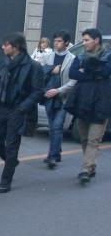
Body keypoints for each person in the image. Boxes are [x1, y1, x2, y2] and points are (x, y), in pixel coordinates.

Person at [0, 32, 43, 193]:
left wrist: (22, 108)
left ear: (16, 47)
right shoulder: (3, 62)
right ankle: (11, 162)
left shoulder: (33, 66)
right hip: (0, 107)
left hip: (17, 110)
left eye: (6, 44)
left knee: (12, 145)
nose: (3, 47)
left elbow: (38, 91)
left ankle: (6, 180)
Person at [66, 28, 111, 183]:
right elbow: (72, 73)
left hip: (101, 101)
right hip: (83, 101)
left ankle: (85, 169)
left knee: (94, 139)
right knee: (84, 138)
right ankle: (91, 166)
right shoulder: (80, 56)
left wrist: (86, 72)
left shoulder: (108, 56)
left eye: (86, 40)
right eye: (83, 40)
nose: (84, 43)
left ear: (96, 40)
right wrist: (93, 74)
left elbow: (106, 72)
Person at [42, 31, 77, 169]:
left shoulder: (73, 59)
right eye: (55, 41)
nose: (56, 43)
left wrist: (59, 90)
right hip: (49, 97)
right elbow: (40, 73)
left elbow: (73, 81)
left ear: (67, 43)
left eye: (59, 41)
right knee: (52, 127)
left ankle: (52, 156)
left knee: (57, 126)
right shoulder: (48, 56)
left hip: (63, 97)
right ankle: (56, 151)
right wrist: (51, 70)